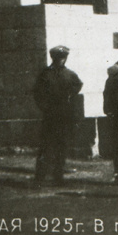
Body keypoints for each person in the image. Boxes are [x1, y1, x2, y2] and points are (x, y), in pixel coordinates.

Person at [33, 46, 83, 186]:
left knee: (62, 147)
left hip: (64, 115)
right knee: (46, 147)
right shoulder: (45, 74)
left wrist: (69, 97)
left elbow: (78, 85)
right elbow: (37, 93)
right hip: (50, 115)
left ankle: (58, 177)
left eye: (63, 58)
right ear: (53, 58)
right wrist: (44, 107)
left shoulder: (70, 74)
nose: (60, 60)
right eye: (58, 58)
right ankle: (40, 178)